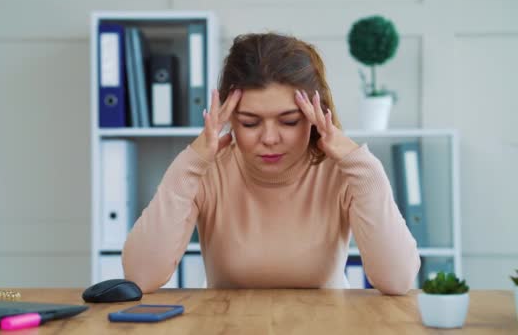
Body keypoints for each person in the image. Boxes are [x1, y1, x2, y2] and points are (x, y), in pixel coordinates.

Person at [122, 32, 420, 295]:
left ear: (315, 116)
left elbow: (397, 280)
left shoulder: (343, 171)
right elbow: (141, 275)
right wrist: (192, 161)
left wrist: (362, 165)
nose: (269, 138)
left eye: (289, 121)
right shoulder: (207, 170)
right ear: (229, 119)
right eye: (250, 123)